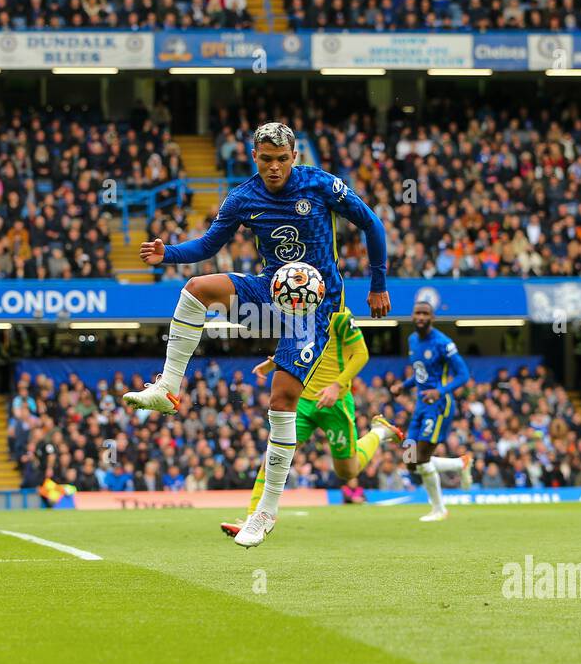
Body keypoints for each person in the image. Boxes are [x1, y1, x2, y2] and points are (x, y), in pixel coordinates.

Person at [123, 122, 389, 547]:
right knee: (196, 290)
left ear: (295, 157)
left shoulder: (321, 186)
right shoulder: (244, 198)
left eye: (282, 159)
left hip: (314, 310)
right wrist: (167, 253)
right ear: (254, 157)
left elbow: (372, 224)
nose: (274, 167)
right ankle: (167, 388)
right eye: (266, 159)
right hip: (269, 293)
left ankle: (264, 513)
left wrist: (377, 284)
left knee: (281, 400)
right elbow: (209, 246)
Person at [220, 307, 403, 537]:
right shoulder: (300, 311)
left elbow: (361, 354)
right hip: (303, 402)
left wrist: (336, 386)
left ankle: (379, 432)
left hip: (335, 402)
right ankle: (251, 518)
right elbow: (303, 348)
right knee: (273, 457)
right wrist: (274, 363)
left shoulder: (342, 315)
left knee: (347, 471)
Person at [389, 298, 472, 521]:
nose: (421, 317)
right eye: (418, 313)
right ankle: (459, 463)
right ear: (413, 315)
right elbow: (420, 374)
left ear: (432, 318)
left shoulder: (443, 343)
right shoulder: (412, 340)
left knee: (423, 457)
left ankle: (439, 509)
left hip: (438, 405)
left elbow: (463, 375)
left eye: (425, 313)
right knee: (410, 460)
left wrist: (440, 391)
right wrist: (403, 386)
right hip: (419, 405)